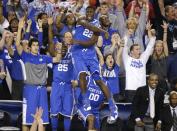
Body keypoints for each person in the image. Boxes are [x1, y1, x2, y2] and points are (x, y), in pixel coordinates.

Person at [71, 5, 118, 123]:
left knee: (99, 80)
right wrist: (103, 31)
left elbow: (91, 42)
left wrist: (77, 41)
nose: (89, 13)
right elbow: (87, 25)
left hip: (90, 54)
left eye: (92, 11)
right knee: (82, 75)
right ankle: (85, 100)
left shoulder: (97, 24)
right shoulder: (81, 20)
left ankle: (113, 106)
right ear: (85, 12)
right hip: (78, 54)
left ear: (94, 13)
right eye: (88, 11)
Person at [15, 18, 62, 131]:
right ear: (30, 47)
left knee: (43, 120)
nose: (36, 47)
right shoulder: (26, 56)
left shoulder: (44, 58)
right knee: (27, 120)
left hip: (42, 91)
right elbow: (17, 44)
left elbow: (57, 59)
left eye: (37, 45)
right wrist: (20, 27)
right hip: (29, 89)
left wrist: (60, 49)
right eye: (34, 45)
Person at [48, 17, 74, 131]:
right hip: (56, 85)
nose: (68, 38)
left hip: (68, 86)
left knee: (67, 113)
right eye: (66, 36)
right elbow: (49, 41)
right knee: (54, 112)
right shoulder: (56, 53)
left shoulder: (73, 53)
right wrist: (49, 26)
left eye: (70, 37)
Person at [123, 21, 156, 102]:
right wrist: (127, 35)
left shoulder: (143, 59)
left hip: (142, 90)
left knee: (142, 112)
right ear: (131, 52)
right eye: (137, 49)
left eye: (139, 49)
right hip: (130, 90)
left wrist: (148, 30)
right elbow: (124, 46)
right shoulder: (127, 59)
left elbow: (150, 45)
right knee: (131, 112)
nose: (139, 51)